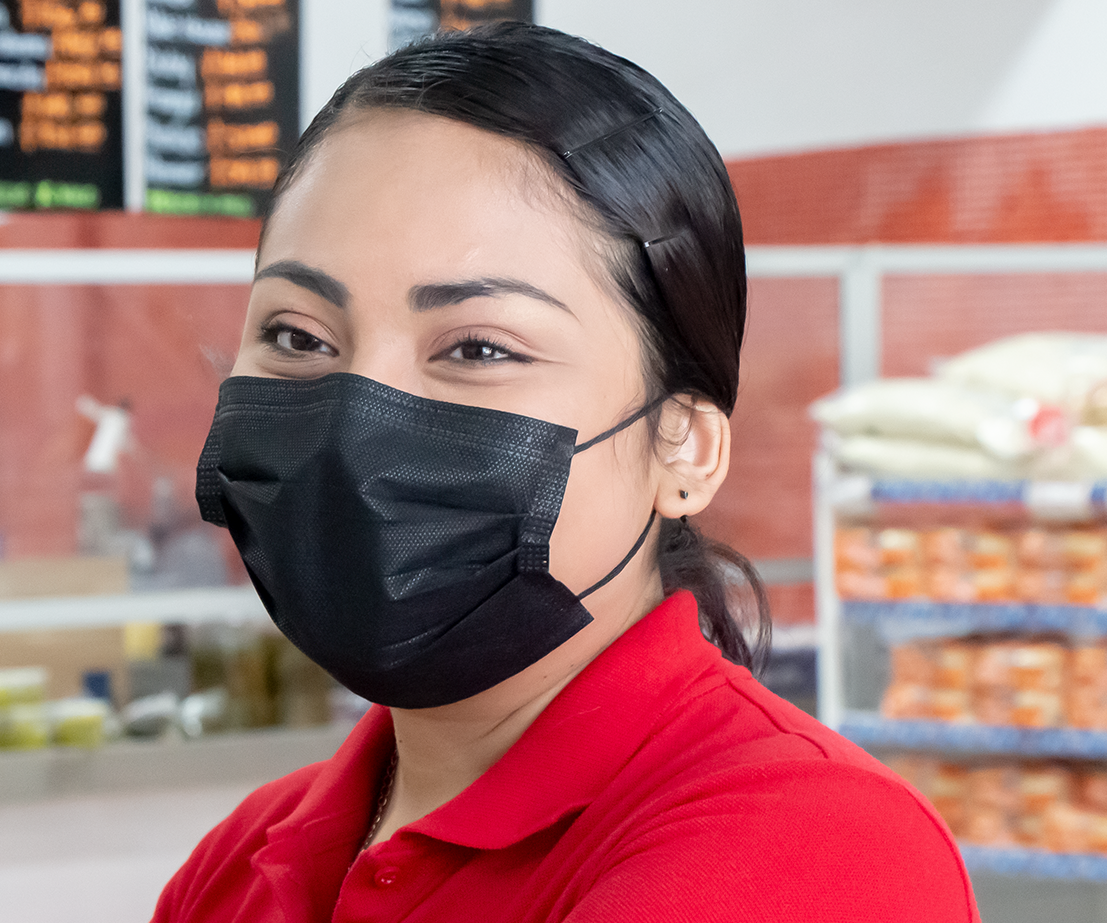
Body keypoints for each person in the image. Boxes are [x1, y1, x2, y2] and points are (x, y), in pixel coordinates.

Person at [156, 22, 976, 923]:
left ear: (684, 448)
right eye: (297, 336)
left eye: (476, 346)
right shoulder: (246, 856)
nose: (355, 426)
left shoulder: (812, 846)